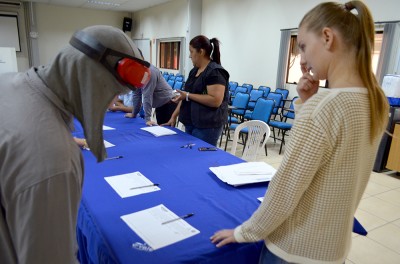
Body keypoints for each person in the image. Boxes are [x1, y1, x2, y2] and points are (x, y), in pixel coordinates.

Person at [210, 1, 389, 263]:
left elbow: (286, 188)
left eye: (304, 46)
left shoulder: (325, 107)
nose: (303, 60)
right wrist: (307, 101)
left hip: (294, 248)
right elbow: (331, 167)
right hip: (332, 248)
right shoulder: (376, 102)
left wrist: (244, 232)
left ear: (327, 37)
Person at [0, 25, 149, 263]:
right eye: (113, 92)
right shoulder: (53, 158)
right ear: (94, 81)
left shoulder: (10, 83)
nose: (114, 102)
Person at [164, 35, 230, 146]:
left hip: (207, 126)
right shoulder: (194, 71)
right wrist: (174, 116)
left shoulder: (216, 72)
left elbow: (215, 100)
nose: (190, 56)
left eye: (191, 51)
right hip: (191, 122)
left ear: (201, 52)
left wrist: (188, 95)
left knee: (201, 158)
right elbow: (185, 96)